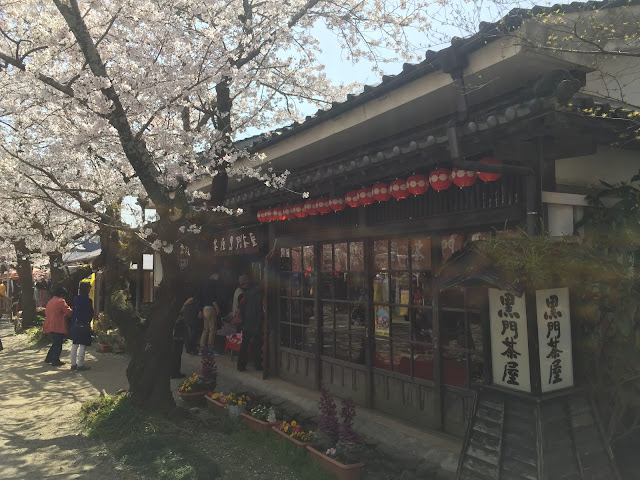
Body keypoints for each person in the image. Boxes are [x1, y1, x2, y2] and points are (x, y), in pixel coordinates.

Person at [237, 280, 264, 372]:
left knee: (244, 344)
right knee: (257, 345)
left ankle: (240, 365)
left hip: (247, 323)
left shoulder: (246, 295)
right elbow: (264, 309)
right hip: (257, 322)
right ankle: (258, 365)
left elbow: (240, 307)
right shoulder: (262, 295)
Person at [43, 285, 72, 367]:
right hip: (58, 325)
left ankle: (48, 358)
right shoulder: (61, 301)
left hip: (50, 325)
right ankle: (55, 360)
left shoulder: (50, 301)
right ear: (62, 294)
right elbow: (69, 312)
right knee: (58, 344)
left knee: (55, 343)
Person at [69, 282, 94, 371]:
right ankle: (80, 364)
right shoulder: (88, 300)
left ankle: (73, 364)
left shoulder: (75, 299)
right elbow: (90, 313)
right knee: (83, 345)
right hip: (84, 324)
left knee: (75, 344)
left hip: (75, 324)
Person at [197, 272, 220, 355]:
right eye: (216, 274)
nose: (218, 276)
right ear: (211, 275)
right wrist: (217, 308)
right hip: (211, 309)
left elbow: (200, 297)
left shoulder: (204, 284)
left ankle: (202, 349)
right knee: (212, 330)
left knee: (205, 329)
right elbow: (212, 297)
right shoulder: (212, 284)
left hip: (205, 309)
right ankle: (210, 348)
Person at [171, 297, 192, 378]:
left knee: (176, 353)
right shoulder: (176, 306)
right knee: (176, 353)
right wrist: (185, 304)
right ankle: (174, 373)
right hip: (177, 333)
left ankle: (174, 372)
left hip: (177, 332)